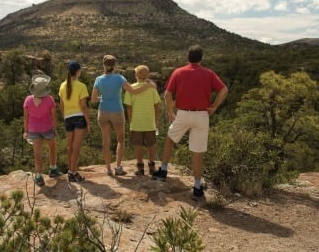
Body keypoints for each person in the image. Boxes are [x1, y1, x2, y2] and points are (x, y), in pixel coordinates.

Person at [152, 45, 228, 200]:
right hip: (202, 115)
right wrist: (214, 107)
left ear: (188, 57)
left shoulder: (179, 72)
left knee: (170, 140)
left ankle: (163, 171)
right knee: (198, 152)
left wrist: (170, 111)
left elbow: (167, 93)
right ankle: (197, 187)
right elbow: (224, 90)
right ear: (201, 58)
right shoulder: (209, 73)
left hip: (183, 114)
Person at [91, 55, 155, 176]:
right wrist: (148, 85)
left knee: (106, 141)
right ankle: (118, 167)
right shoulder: (119, 78)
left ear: (104, 65)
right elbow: (133, 91)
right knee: (120, 140)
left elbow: (94, 99)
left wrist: (104, 98)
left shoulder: (98, 79)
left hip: (103, 111)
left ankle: (108, 169)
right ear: (115, 66)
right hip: (117, 111)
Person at [23, 74, 62, 187]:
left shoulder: (28, 100)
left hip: (33, 129)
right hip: (47, 128)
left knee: (37, 153)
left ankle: (39, 175)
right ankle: (53, 168)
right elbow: (54, 116)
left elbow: (26, 117)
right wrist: (55, 129)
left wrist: (26, 131)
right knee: (52, 148)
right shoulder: (49, 100)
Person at [123, 65, 161, 176]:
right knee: (151, 144)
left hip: (136, 122)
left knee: (137, 144)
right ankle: (152, 166)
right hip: (149, 121)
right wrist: (156, 120)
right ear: (148, 76)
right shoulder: (152, 89)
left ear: (135, 75)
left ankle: (140, 168)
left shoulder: (131, 88)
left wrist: (131, 120)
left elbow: (128, 107)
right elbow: (156, 106)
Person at [59, 61, 90, 183]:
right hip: (79, 117)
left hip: (68, 117)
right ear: (78, 72)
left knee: (70, 147)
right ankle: (73, 172)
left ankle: (70, 172)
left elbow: (61, 105)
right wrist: (88, 121)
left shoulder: (62, 86)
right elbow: (83, 106)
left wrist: (65, 116)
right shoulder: (81, 86)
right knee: (76, 147)